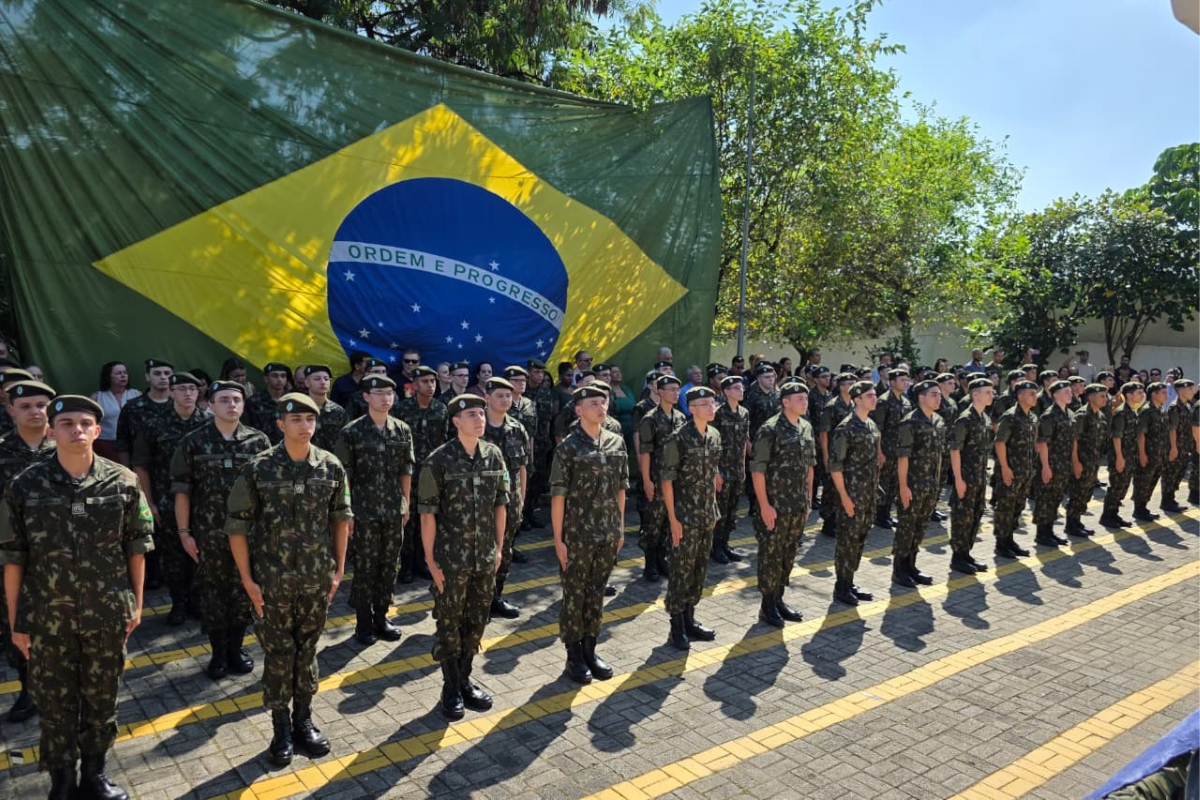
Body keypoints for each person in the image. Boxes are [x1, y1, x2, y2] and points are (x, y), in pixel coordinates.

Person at [1, 394, 154, 800]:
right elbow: (13, 559)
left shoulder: (122, 481)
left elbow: (136, 548)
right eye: (66, 423)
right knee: (54, 705)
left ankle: (95, 776)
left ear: (97, 430)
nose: (77, 430)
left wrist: (135, 605)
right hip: (47, 618)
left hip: (107, 614)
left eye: (85, 423)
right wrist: (17, 623)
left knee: (102, 700)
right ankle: (62, 781)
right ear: (52, 431)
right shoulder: (25, 485)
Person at [224, 392, 352, 766]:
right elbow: (237, 526)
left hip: (315, 578)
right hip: (271, 582)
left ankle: (304, 721)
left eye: (310, 419)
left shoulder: (330, 466)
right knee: (279, 656)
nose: (304, 425)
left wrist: (339, 569)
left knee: (307, 651)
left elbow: (340, 519)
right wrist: (248, 580)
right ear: (280, 424)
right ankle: (280, 728)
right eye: (296, 419)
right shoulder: (259, 468)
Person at [170, 380, 270, 679]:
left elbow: (267, 492)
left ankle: (237, 649)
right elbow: (182, 492)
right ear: (210, 405)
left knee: (243, 592)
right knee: (213, 596)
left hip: (249, 534)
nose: (232, 405)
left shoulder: (258, 441)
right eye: (224, 400)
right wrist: (184, 533)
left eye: (237, 399)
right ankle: (218, 654)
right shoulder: (193, 442)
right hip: (208, 534)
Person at [419, 394, 508, 720]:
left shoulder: (494, 455)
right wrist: (430, 560)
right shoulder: (438, 460)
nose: (480, 419)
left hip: (484, 557)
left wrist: (499, 548)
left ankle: (466, 680)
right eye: (472, 415)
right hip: (450, 560)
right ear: (456, 421)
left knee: (475, 623)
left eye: (481, 414)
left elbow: (501, 504)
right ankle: (451, 686)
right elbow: (427, 515)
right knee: (449, 624)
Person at [551, 384, 628, 684]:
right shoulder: (568, 448)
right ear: (578, 409)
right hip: (577, 535)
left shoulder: (615, 442)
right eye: (594, 402)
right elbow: (558, 497)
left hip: (607, 533)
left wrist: (619, 527)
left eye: (604, 401)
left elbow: (621, 488)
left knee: (596, 594)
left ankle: (590, 650)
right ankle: (574, 657)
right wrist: (558, 540)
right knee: (574, 596)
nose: (601, 407)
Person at [334, 375, 414, 646]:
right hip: (363, 511)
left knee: (389, 565)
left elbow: (406, 470)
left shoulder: (402, 429)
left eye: (390, 393)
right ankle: (363, 623)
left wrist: (406, 503)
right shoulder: (352, 432)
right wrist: (347, 512)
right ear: (366, 397)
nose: (385, 398)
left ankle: (381, 617)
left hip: (393, 509)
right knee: (366, 568)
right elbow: (344, 476)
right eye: (379, 393)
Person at [131, 372, 210, 624]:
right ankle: (178, 604)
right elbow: (141, 465)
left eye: (192, 389)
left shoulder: (209, 422)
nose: (188, 393)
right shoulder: (155, 424)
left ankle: (198, 602)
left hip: (204, 503)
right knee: (173, 558)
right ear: (172, 392)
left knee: (201, 554)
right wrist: (149, 502)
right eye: (182, 389)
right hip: (167, 501)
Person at [0, 380, 57, 724]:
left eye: (41, 405)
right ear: (11, 411)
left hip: (63, 554)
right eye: (26, 406)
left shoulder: (66, 446)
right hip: (15, 556)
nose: (35, 411)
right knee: (17, 622)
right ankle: (28, 688)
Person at [661, 386, 722, 648]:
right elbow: (666, 480)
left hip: (707, 514)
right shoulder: (679, 439)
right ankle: (676, 625)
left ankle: (690, 619)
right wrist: (673, 520)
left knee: (699, 570)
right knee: (680, 571)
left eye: (713, 403)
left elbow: (712, 468)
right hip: (684, 517)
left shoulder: (714, 435)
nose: (712, 408)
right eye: (706, 404)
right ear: (692, 409)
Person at [750, 380, 815, 624]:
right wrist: (765, 505)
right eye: (799, 399)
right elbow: (758, 470)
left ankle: (778, 599)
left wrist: (808, 499)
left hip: (797, 504)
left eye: (805, 398)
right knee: (771, 555)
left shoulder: (806, 427)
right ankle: (767, 605)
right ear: (785, 402)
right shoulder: (770, 429)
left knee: (788, 553)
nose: (804, 402)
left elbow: (810, 467)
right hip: (776, 506)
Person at [481, 377, 529, 619]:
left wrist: (521, 499)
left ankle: (495, 597)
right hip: (480, 504)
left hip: (509, 503)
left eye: (508, 396)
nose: (505, 400)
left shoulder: (517, 428)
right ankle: (480, 602)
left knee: (505, 551)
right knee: (481, 553)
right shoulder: (475, 426)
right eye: (500, 395)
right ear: (487, 397)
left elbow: (521, 468)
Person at [891, 379, 946, 586]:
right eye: (934, 394)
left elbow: (939, 455)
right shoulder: (910, 422)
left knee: (920, 526)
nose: (938, 398)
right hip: (913, 484)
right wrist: (903, 486)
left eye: (939, 394)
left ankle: (911, 565)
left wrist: (937, 483)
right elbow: (903, 457)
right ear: (921, 397)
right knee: (906, 527)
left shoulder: (939, 421)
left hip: (930, 484)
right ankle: (899, 570)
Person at [829, 382, 880, 606]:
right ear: (857, 399)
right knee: (847, 541)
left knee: (859, 540)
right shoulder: (846, 428)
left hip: (868, 494)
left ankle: (849, 582)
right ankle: (841, 587)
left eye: (875, 395)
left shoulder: (870, 424)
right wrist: (844, 496)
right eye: (869, 395)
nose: (874, 398)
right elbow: (836, 465)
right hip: (851, 494)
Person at [396, 366, 447, 583]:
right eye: (425, 382)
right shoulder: (402, 409)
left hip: (431, 473)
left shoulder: (441, 409)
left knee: (428, 518)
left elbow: (444, 442)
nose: (430, 386)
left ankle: (422, 561)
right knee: (408, 520)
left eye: (433, 381)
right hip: (409, 473)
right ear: (415, 385)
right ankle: (406, 565)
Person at [636, 374, 687, 581]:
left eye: (678, 390)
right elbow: (645, 452)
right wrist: (647, 480)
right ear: (660, 392)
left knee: (668, 520)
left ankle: (661, 559)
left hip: (674, 481)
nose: (676, 393)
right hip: (656, 479)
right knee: (652, 523)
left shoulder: (681, 417)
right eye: (671, 390)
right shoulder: (650, 419)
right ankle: (649, 563)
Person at [948, 377, 994, 573]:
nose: (992, 395)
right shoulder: (965, 419)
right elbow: (955, 450)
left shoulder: (985, 418)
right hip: (966, 478)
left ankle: (966, 553)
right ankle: (957, 558)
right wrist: (958, 479)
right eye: (988, 392)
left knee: (975, 516)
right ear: (975, 395)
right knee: (962, 518)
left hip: (979, 478)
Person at [991, 379, 1039, 559]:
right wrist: (1004, 467)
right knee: (1005, 507)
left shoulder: (1032, 417)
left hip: (1025, 471)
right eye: (1031, 394)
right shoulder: (1010, 416)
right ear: (1020, 396)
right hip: (1010, 470)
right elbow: (1000, 442)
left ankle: (1010, 540)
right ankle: (1001, 544)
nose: (1035, 397)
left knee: (1017, 507)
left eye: (1035, 393)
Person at [710, 375, 749, 564]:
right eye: (736, 388)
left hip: (736, 470)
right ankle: (714, 546)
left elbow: (742, 443)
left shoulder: (744, 413)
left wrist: (742, 467)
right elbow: (711, 446)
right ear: (726, 391)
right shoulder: (717, 414)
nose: (740, 391)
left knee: (732, 510)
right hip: (722, 470)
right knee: (720, 510)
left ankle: (724, 543)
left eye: (741, 388)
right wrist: (715, 472)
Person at [1032, 380, 1075, 546]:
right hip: (1051, 464)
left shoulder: (1068, 414)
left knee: (1056, 498)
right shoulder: (1049, 415)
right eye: (1066, 392)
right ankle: (1042, 534)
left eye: (1070, 392)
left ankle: (1049, 531)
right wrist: (1045, 467)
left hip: (1063, 464)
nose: (1070, 394)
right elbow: (1042, 443)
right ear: (1055, 394)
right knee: (1045, 499)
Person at [1064, 384, 1110, 539]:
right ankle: (1071, 524)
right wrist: (1075, 463)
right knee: (1077, 493)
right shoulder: (1082, 415)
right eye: (1102, 396)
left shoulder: (1100, 416)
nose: (1105, 399)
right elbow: (1073, 440)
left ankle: (1077, 521)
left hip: (1093, 462)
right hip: (1082, 462)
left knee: (1086, 493)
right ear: (1091, 398)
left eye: (1105, 396)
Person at [113, 359, 174, 468]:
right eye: (157, 373)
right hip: (141, 470)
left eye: (167, 373)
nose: (163, 377)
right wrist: (127, 474)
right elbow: (122, 445)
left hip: (174, 473)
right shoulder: (132, 408)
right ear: (147, 377)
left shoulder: (180, 406)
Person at [871, 367, 911, 530]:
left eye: (906, 380)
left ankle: (886, 513)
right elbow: (878, 429)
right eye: (902, 380)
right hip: (887, 448)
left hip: (900, 450)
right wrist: (879, 451)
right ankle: (879, 515)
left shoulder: (906, 401)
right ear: (892, 382)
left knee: (895, 482)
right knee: (884, 482)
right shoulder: (883, 401)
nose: (905, 383)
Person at [1100, 383, 1144, 529]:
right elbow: (1116, 437)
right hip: (1121, 456)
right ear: (1129, 395)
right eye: (1138, 393)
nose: (1142, 395)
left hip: (1129, 456)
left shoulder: (1132, 411)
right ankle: (1107, 516)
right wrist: (1119, 457)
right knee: (1116, 486)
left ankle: (1114, 514)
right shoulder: (1121, 412)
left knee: (1123, 486)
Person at [818, 372, 857, 538]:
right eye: (849, 384)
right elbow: (824, 433)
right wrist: (826, 456)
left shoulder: (856, 404)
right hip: (835, 454)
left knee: (845, 487)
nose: (852, 387)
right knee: (831, 489)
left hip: (850, 455)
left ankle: (839, 519)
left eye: (854, 383)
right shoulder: (832, 406)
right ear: (841, 386)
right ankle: (828, 521)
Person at [1132, 382, 1171, 522]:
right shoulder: (1146, 411)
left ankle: (1144, 507)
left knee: (1152, 480)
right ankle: (1138, 509)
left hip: (1158, 454)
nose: (1166, 395)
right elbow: (1140, 434)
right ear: (1154, 394)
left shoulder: (1160, 409)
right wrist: (1142, 454)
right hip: (1148, 453)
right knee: (1143, 480)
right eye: (1163, 393)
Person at [91, 362, 141, 461]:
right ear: (108, 377)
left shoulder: (137, 395)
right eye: (118, 373)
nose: (123, 376)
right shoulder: (97, 397)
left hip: (132, 443)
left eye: (125, 373)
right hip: (105, 444)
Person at [1161, 379, 1197, 512]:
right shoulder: (1175, 407)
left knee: (1178, 473)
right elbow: (1172, 429)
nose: (1192, 391)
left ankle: (1171, 499)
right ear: (1181, 390)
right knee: (1170, 473)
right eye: (1189, 389)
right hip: (1176, 447)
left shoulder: (1186, 405)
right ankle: (1166, 501)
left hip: (1183, 446)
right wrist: (1173, 448)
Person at [245, 362, 291, 444]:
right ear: (266, 379)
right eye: (275, 376)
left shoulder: (293, 400)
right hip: (262, 447)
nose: (280, 379)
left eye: (283, 376)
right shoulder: (254, 401)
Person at [608, 365, 636, 444]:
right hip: (617, 432)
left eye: (619, 372)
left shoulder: (626, 389)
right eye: (614, 372)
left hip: (632, 431)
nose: (618, 374)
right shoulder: (608, 392)